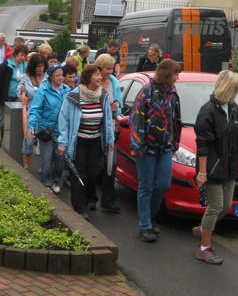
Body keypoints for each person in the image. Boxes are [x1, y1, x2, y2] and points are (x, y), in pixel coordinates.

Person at [193, 70, 238, 264]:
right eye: (234, 89)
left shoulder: (233, 108)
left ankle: (202, 229)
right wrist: (202, 172)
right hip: (213, 166)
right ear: (227, 88)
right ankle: (204, 248)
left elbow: (237, 136)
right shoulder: (207, 111)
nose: (236, 94)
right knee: (215, 206)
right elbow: (202, 144)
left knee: (225, 206)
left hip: (230, 164)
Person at [129, 59, 182, 242]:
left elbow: (176, 119)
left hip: (165, 146)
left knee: (163, 184)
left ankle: (150, 216)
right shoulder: (147, 92)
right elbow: (136, 119)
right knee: (146, 185)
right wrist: (138, 144)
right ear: (167, 74)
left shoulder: (173, 93)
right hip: (146, 147)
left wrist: (175, 141)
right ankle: (144, 226)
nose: (177, 78)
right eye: (175, 74)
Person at [57, 65, 115, 220]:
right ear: (88, 77)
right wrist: (62, 142)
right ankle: (79, 207)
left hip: (95, 140)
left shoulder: (103, 95)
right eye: (97, 75)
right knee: (79, 174)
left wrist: (110, 139)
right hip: (78, 141)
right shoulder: (73, 96)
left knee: (94, 172)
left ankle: (90, 198)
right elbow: (64, 120)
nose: (100, 78)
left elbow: (108, 120)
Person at [28, 64, 70, 192]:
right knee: (47, 157)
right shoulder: (43, 90)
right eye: (58, 75)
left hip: (61, 130)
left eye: (62, 75)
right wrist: (31, 126)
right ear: (51, 76)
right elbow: (35, 109)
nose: (61, 77)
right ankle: (45, 183)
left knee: (60, 157)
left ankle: (56, 180)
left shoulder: (67, 90)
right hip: (46, 129)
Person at [95, 54, 123, 213]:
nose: (110, 72)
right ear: (99, 68)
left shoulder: (114, 82)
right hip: (94, 127)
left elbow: (120, 103)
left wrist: (116, 108)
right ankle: (91, 198)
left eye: (112, 68)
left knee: (111, 164)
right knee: (93, 165)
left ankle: (108, 201)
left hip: (111, 127)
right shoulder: (93, 81)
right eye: (107, 69)